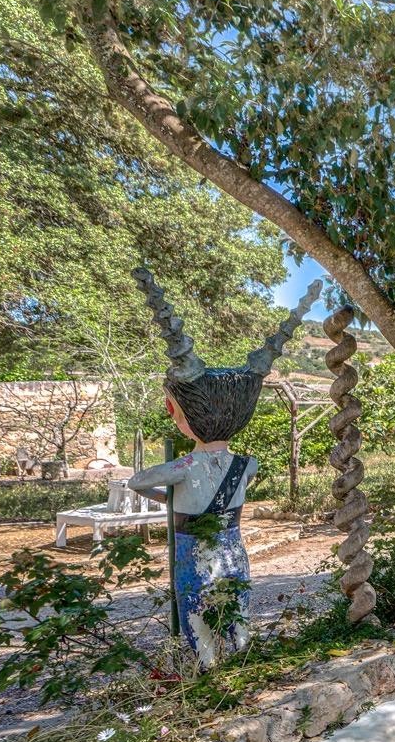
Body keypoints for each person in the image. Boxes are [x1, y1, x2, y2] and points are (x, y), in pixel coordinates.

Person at [128, 268, 317, 669]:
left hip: (192, 551)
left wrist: (167, 496)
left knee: (196, 614)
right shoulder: (248, 465)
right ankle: (244, 667)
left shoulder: (182, 467)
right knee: (238, 613)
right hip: (232, 549)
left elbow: (137, 480)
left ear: (175, 410)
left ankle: (210, 676)